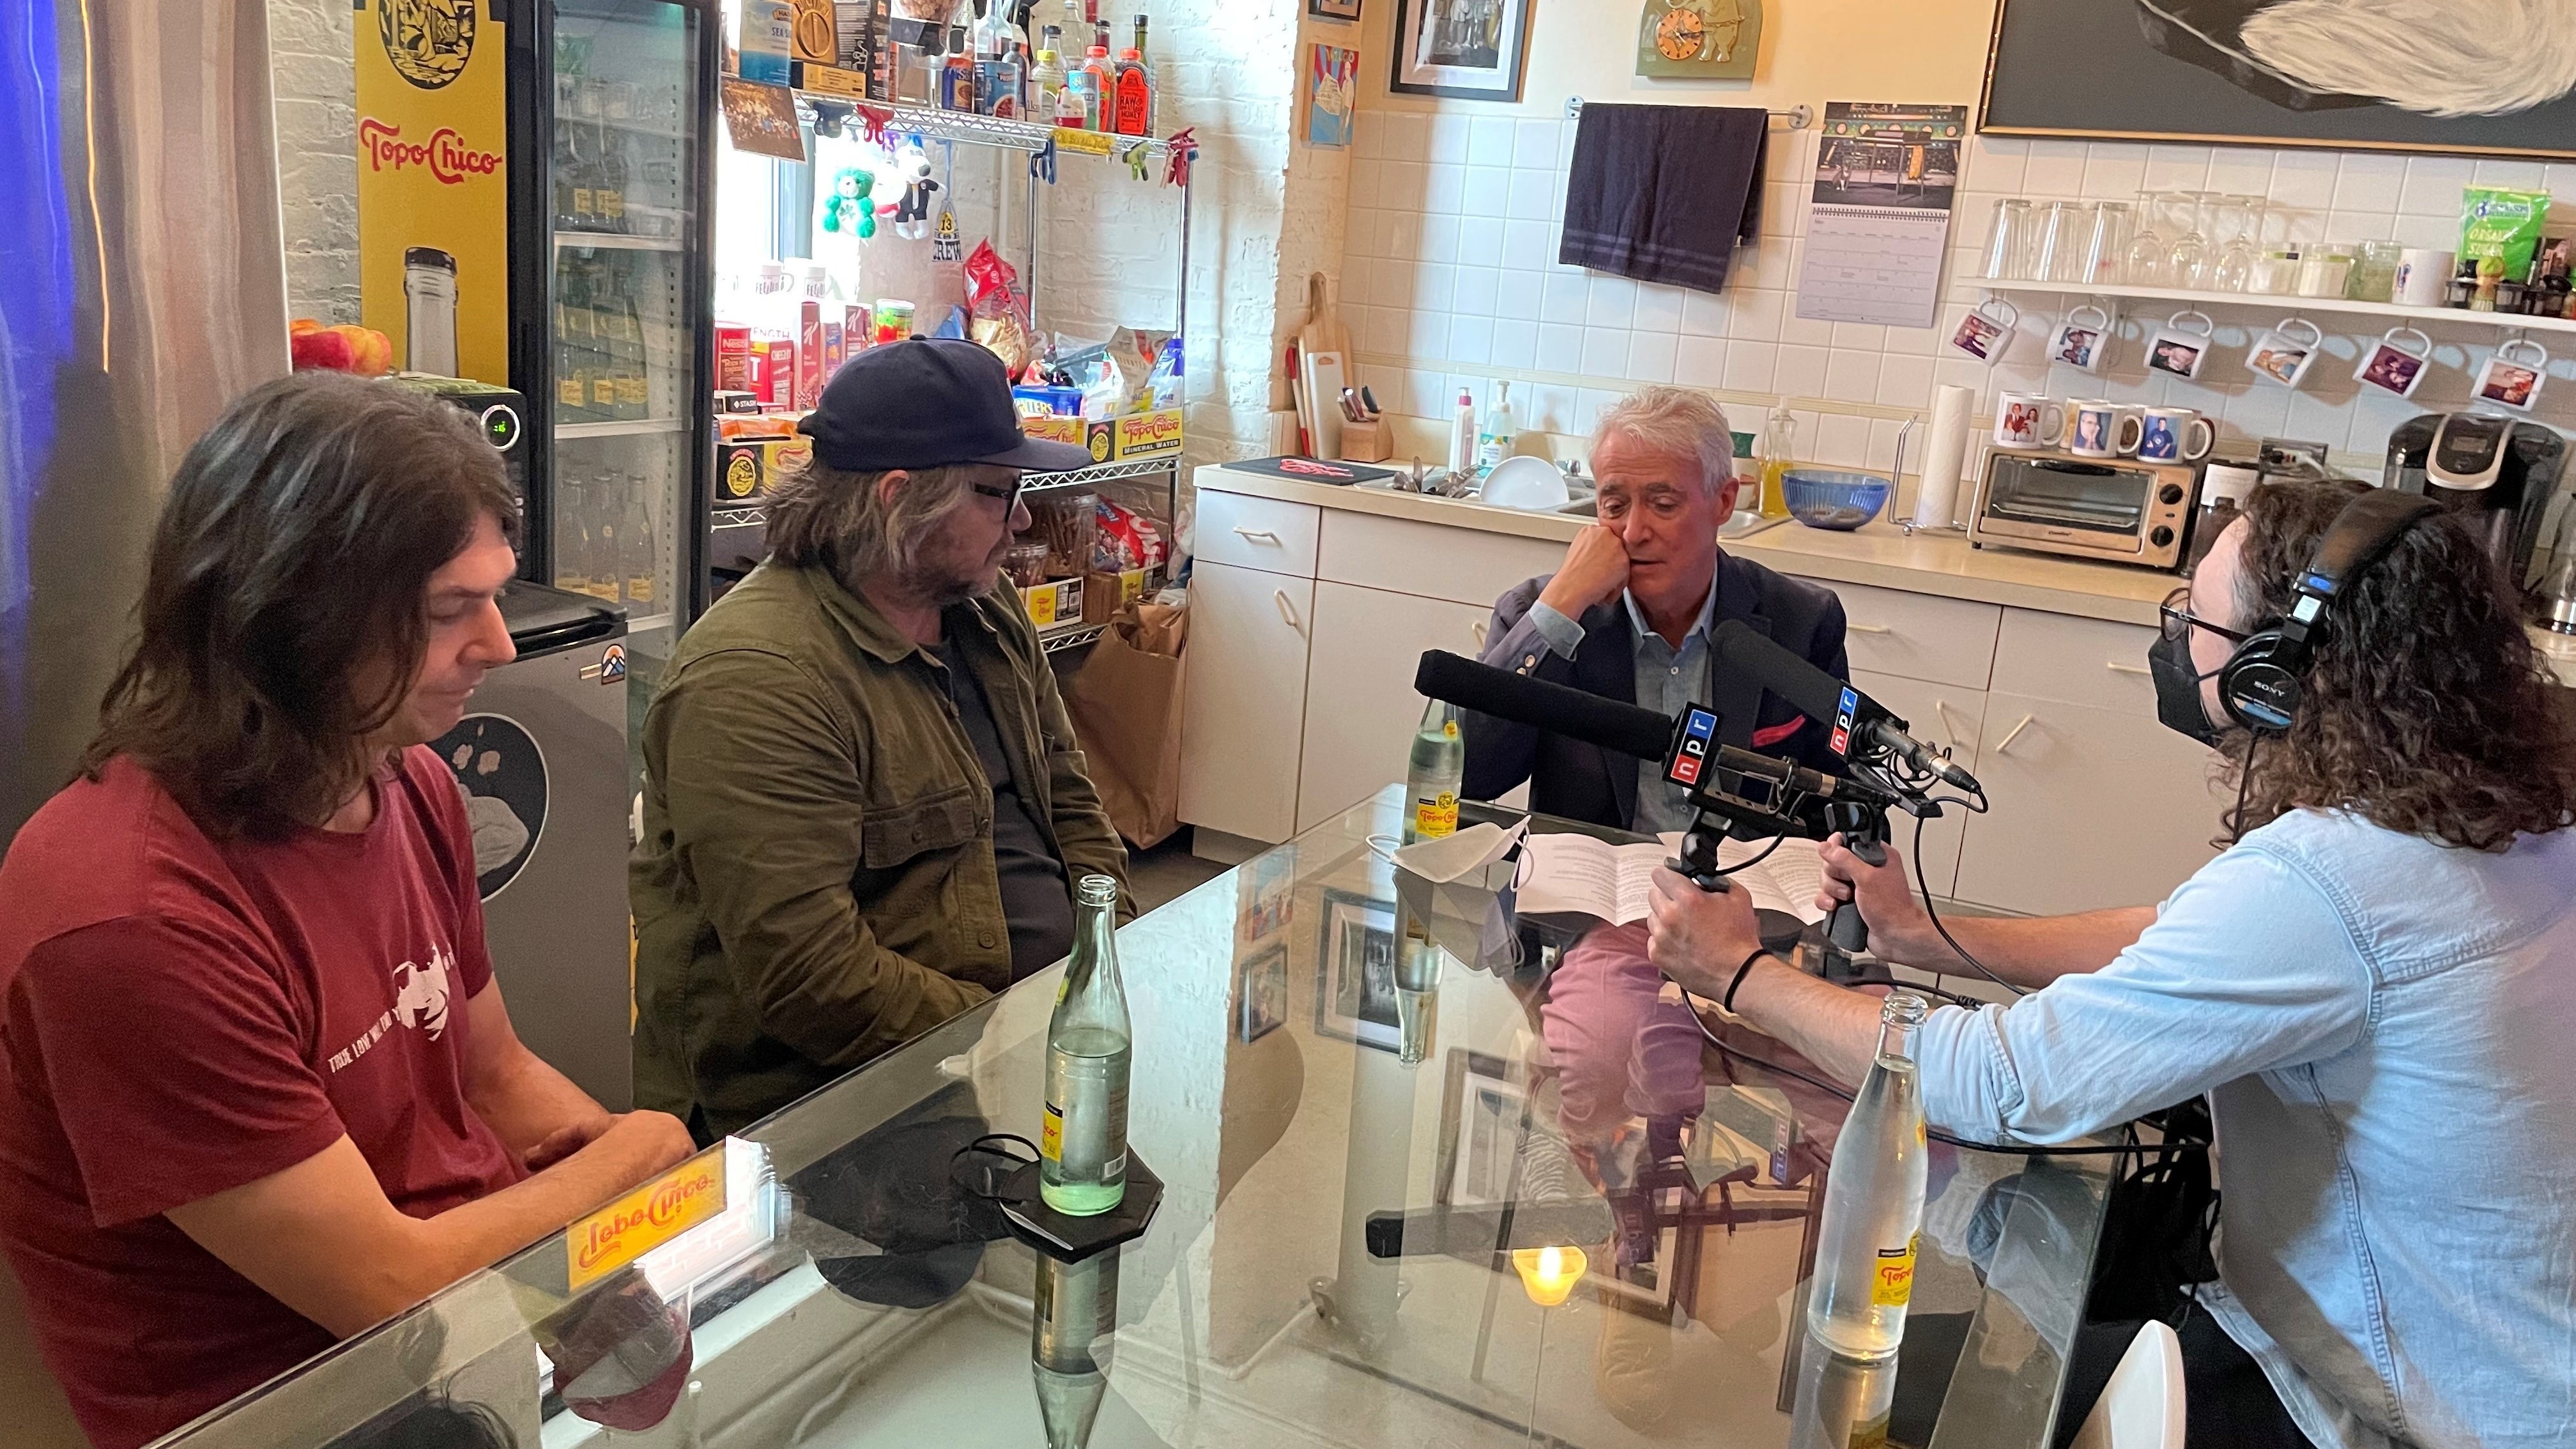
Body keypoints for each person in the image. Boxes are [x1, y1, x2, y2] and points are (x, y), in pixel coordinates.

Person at [1644, 477, 2576, 1449]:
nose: (2176, 643)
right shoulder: (2510, 825)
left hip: (2397, 1404)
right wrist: (1927, 937)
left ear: (2278, 676)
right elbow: (2186, 936)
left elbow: (1999, 1085)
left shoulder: (2327, 882)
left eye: (2197, 622)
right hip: (2499, 1367)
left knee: (1855, 1388)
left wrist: (1741, 971)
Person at [0, 372, 696, 1449]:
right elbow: (384, 1283)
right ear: (289, 618)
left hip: (441, 1350)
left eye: (495, 595)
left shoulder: (401, 775)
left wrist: (597, 1266)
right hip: (274, 1408)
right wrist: (640, 1151)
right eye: (446, 612)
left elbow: (492, 1072)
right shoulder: (129, 917)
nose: (502, 644)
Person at [632, 338, 1133, 1142]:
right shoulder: (757, 680)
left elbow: (1070, 801)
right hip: (839, 1119)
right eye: (999, 493)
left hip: (1017, 1062)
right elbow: (813, 981)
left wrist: (1103, 965)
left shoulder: (985, 608)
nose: (1025, 520)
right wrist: (1021, 1033)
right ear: (902, 498)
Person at [1462, 385, 1850, 834]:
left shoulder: (1801, 622)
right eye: (1614, 506)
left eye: (1663, 505)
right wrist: (1561, 606)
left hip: (1738, 892)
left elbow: (1842, 809)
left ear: (1723, 502)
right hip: (1591, 891)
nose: (1633, 532)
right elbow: (1467, 774)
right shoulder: (1542, 614)